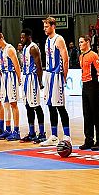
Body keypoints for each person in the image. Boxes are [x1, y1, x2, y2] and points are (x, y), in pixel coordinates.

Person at [39, 17, 71, 146]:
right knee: (50, 105)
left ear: (53, 26)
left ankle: (67, 136)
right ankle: (53, 136)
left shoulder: (59, 39)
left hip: (57, 75)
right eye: (44, 26)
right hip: (48, 74)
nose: (44, 29)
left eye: (46, 26)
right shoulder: (47, 40)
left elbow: (66, 59)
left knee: (60, 106)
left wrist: (64, 77)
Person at [0, 33, 22, 141]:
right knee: (5, 104)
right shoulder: (1, 50)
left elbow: (17, 65)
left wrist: (19, 78)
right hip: (4, 77)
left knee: (13, 104)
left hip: (11, 77)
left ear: (1, 39)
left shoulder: (10, 49)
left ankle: (16, 131)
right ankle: (8, 129)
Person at [19, 29, 46, 143]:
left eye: (23, 37)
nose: (21, 39)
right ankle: (31, 132)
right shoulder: (24, 48)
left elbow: (39, 66)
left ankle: (42, 133)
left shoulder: (33, 48)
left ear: (29, 37)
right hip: (25, 78)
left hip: (32, 79)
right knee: (27, 106)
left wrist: (40, 81)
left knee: (36, 106)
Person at [78, 35, 99, 150]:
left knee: (97, 114)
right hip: (85, 86)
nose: (79, 44)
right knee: (87, 114)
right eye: (79, 42)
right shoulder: (81, 56)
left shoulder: (93, 55)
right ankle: (88, 139)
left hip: (93, 86)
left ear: (88, 42)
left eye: (81, 42)